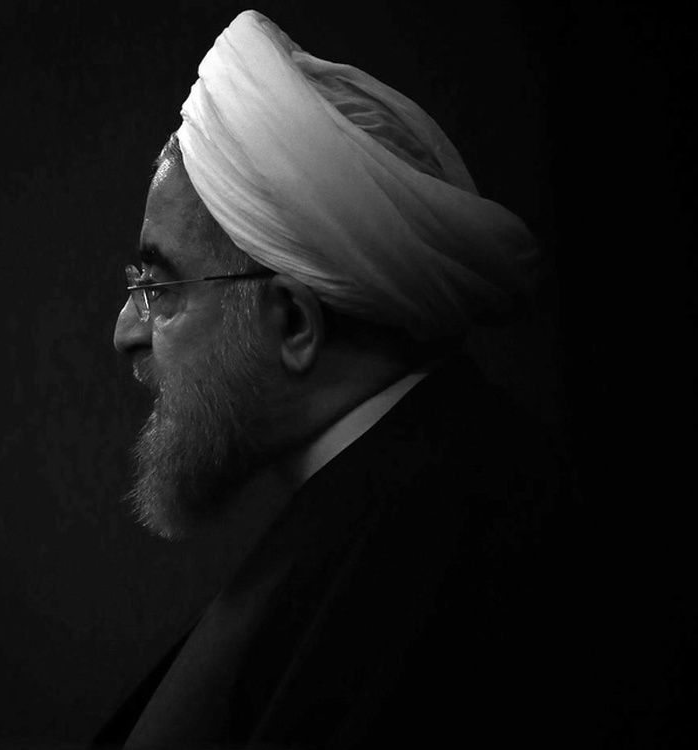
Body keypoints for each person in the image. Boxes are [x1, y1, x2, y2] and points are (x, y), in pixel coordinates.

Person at [96, 11, 585, 749]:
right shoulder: (397, 499)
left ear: (294, 322)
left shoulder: (458, 557)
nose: (125, 332)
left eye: (159, 290)